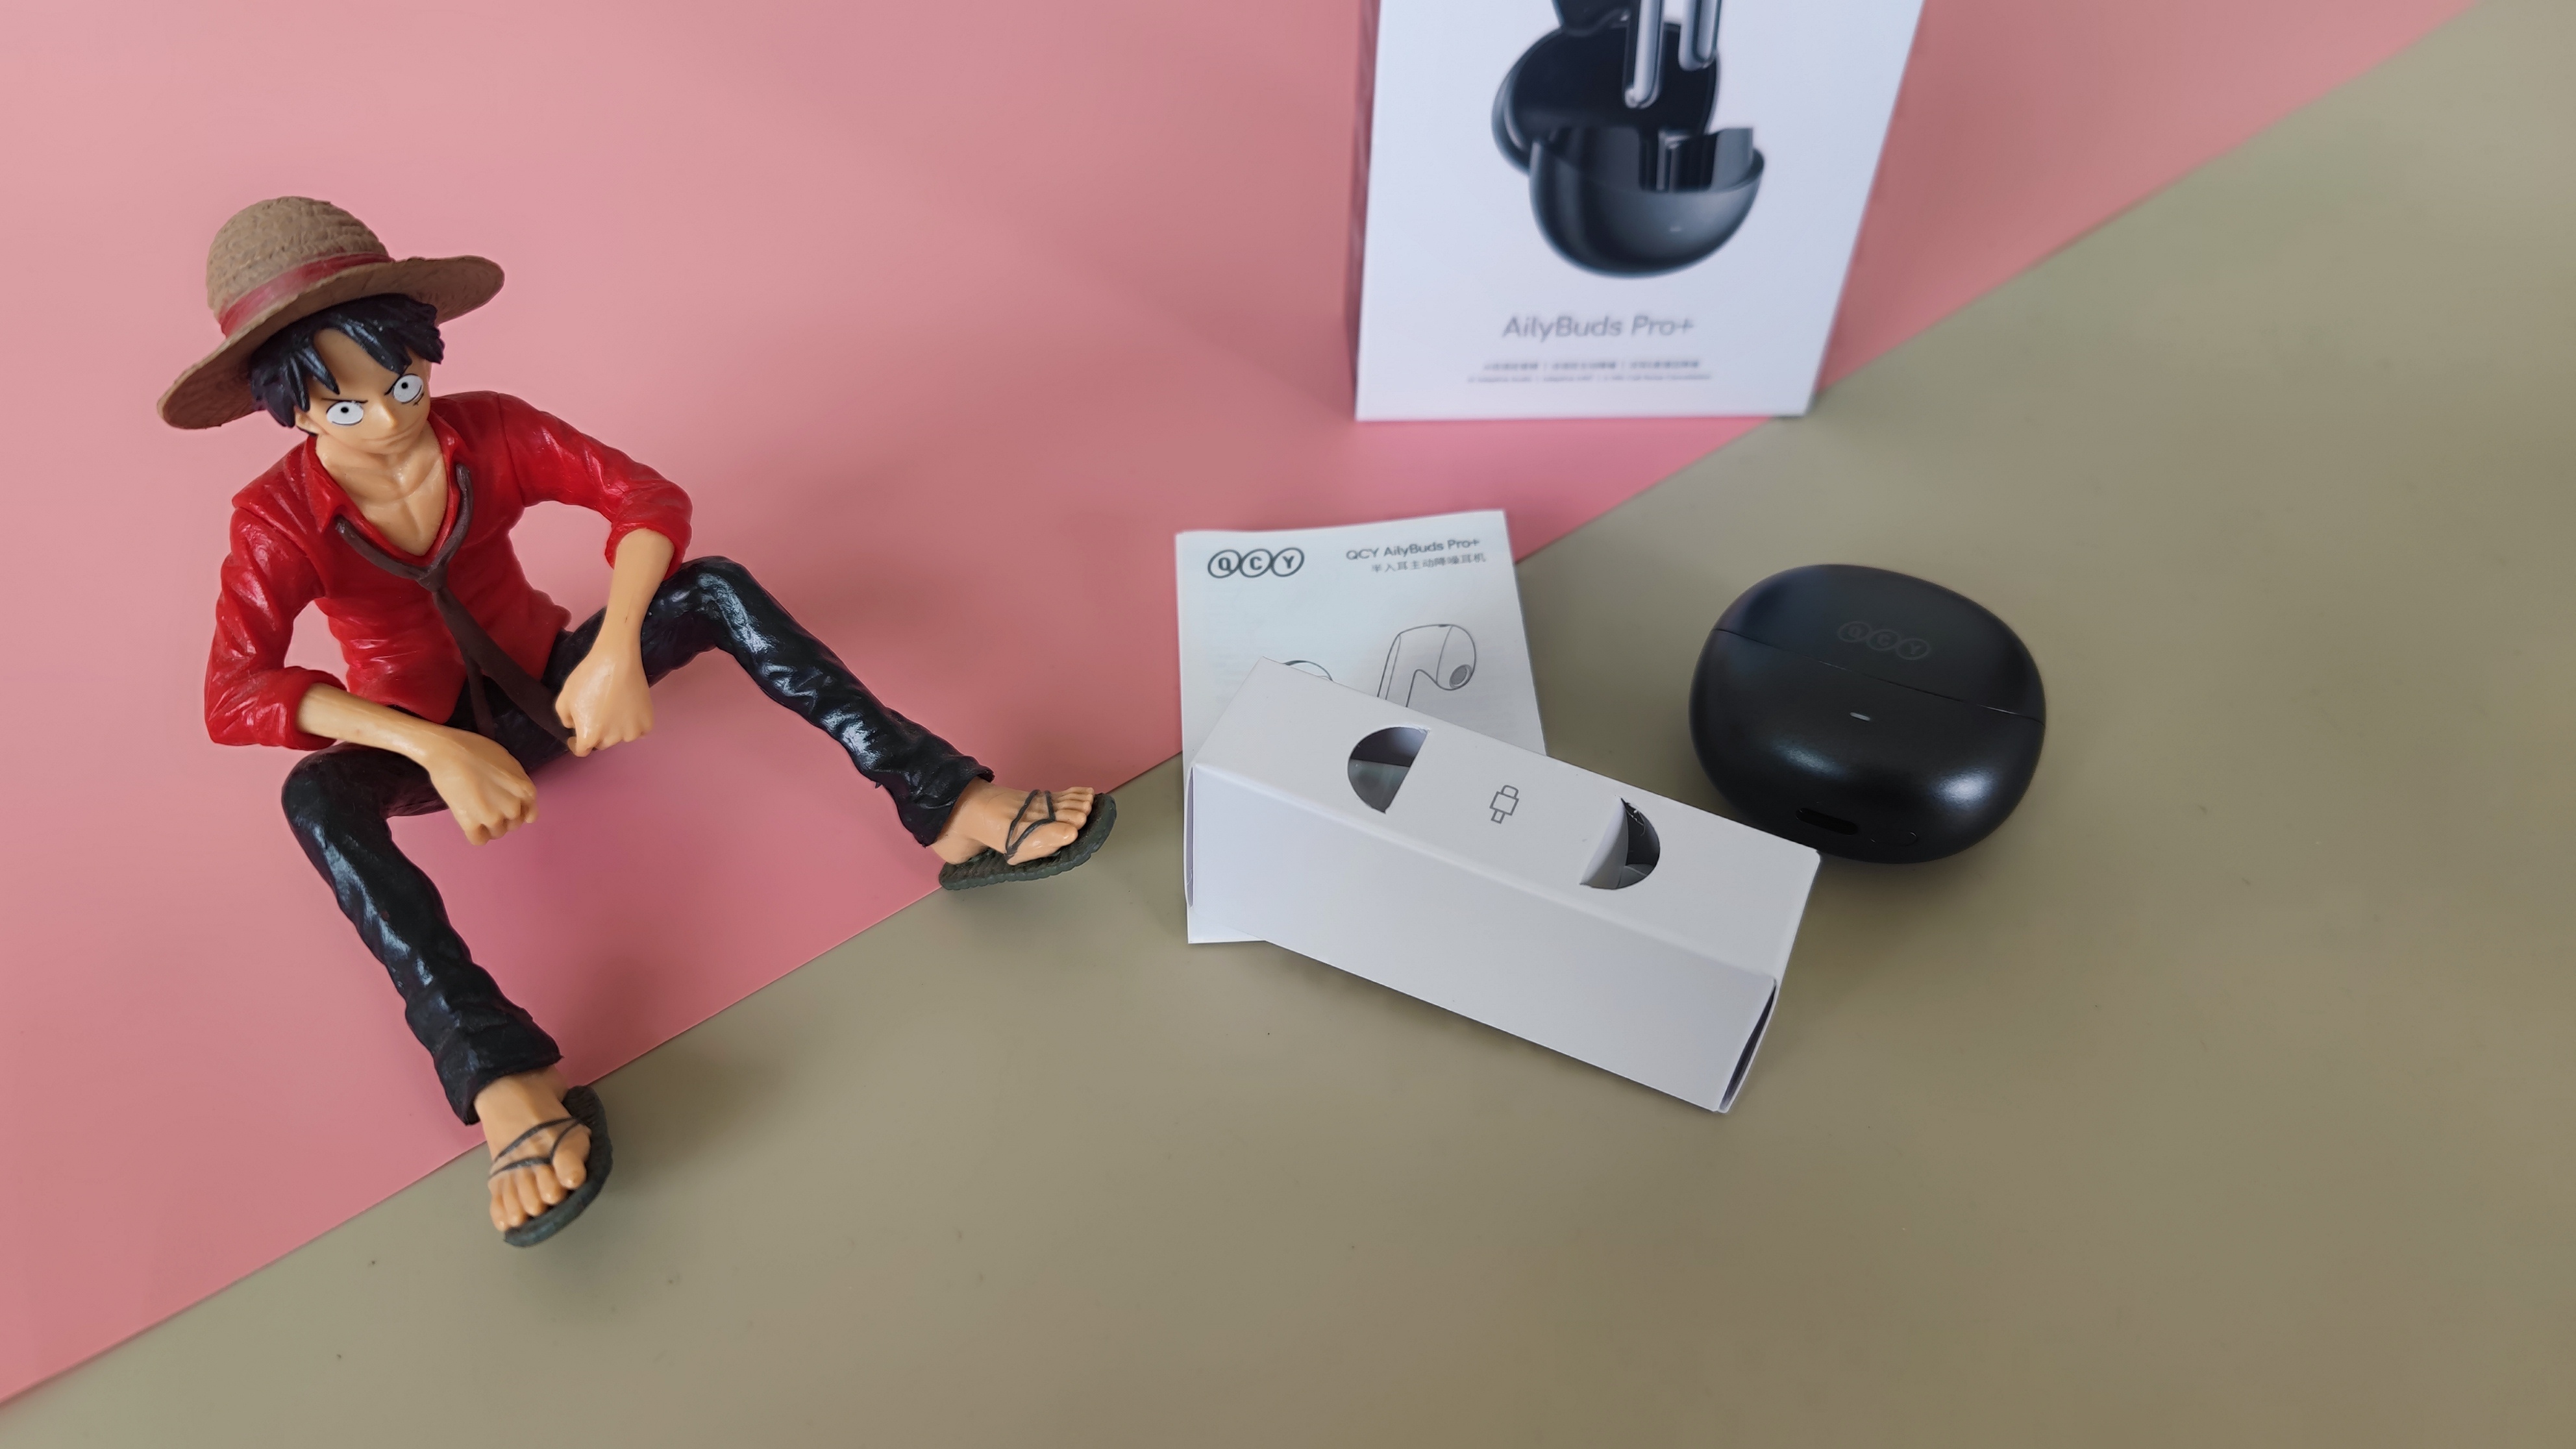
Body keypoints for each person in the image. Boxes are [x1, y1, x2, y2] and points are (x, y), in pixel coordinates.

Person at [162, 197, 1113, 1245]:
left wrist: (616, 647)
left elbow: (644, 499)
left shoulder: (492, 429)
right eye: (346, 408)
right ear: (292, 413)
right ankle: (501, 1078)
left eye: (403, 385)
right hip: (430, 747)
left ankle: (948, 803)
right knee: (315, 799)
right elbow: (233, 689)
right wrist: (430, 745)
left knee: (714, 587)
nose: (390, 422)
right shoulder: (275, 520)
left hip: (560, 685)